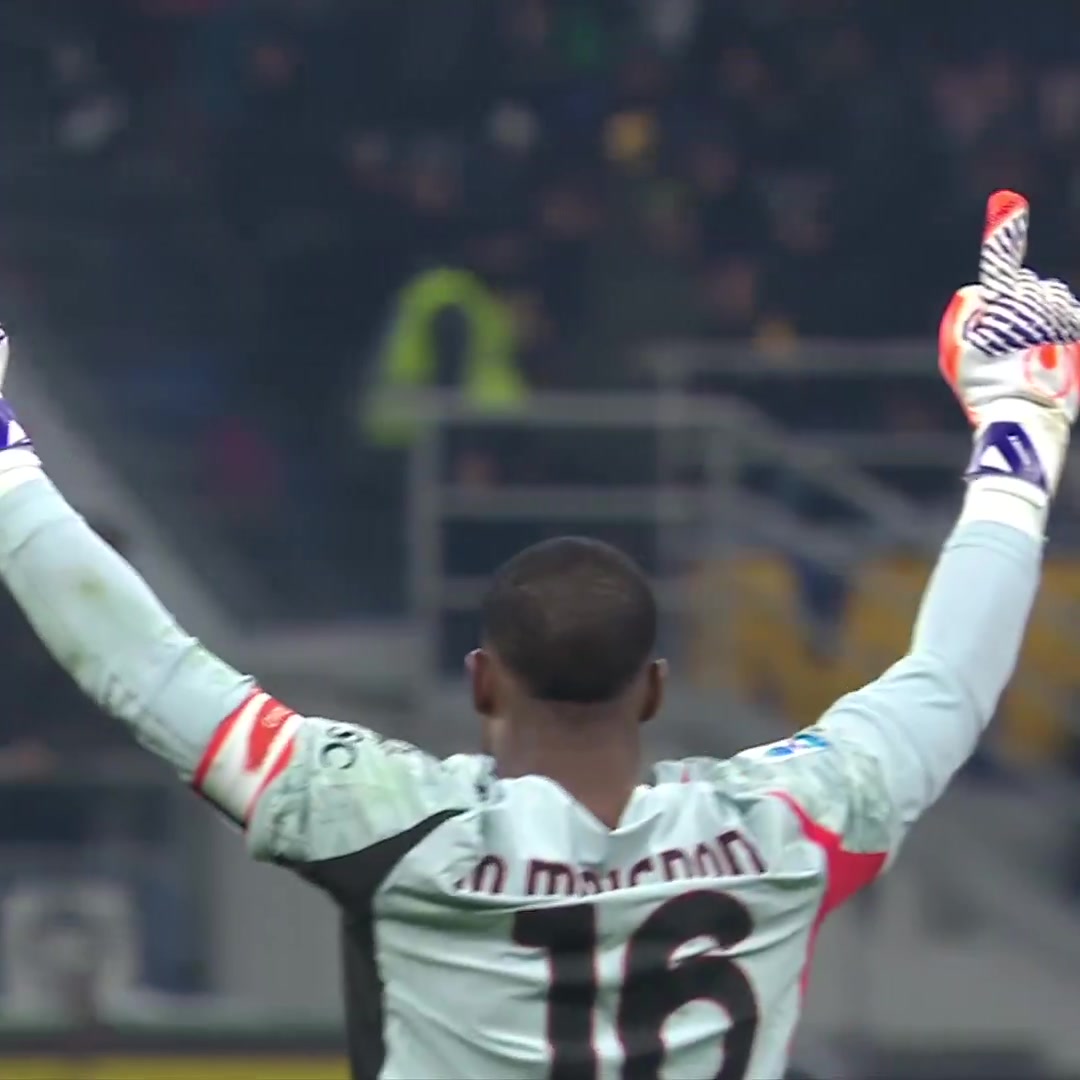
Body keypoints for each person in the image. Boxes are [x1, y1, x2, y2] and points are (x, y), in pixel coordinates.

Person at [0, 190, 1073, 1078]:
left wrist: (8, 466)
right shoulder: (792, 823)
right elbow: (952, 675)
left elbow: (146, 668)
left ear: (482, 682)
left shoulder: (391, 829)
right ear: (654, 687)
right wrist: (1021, 423)